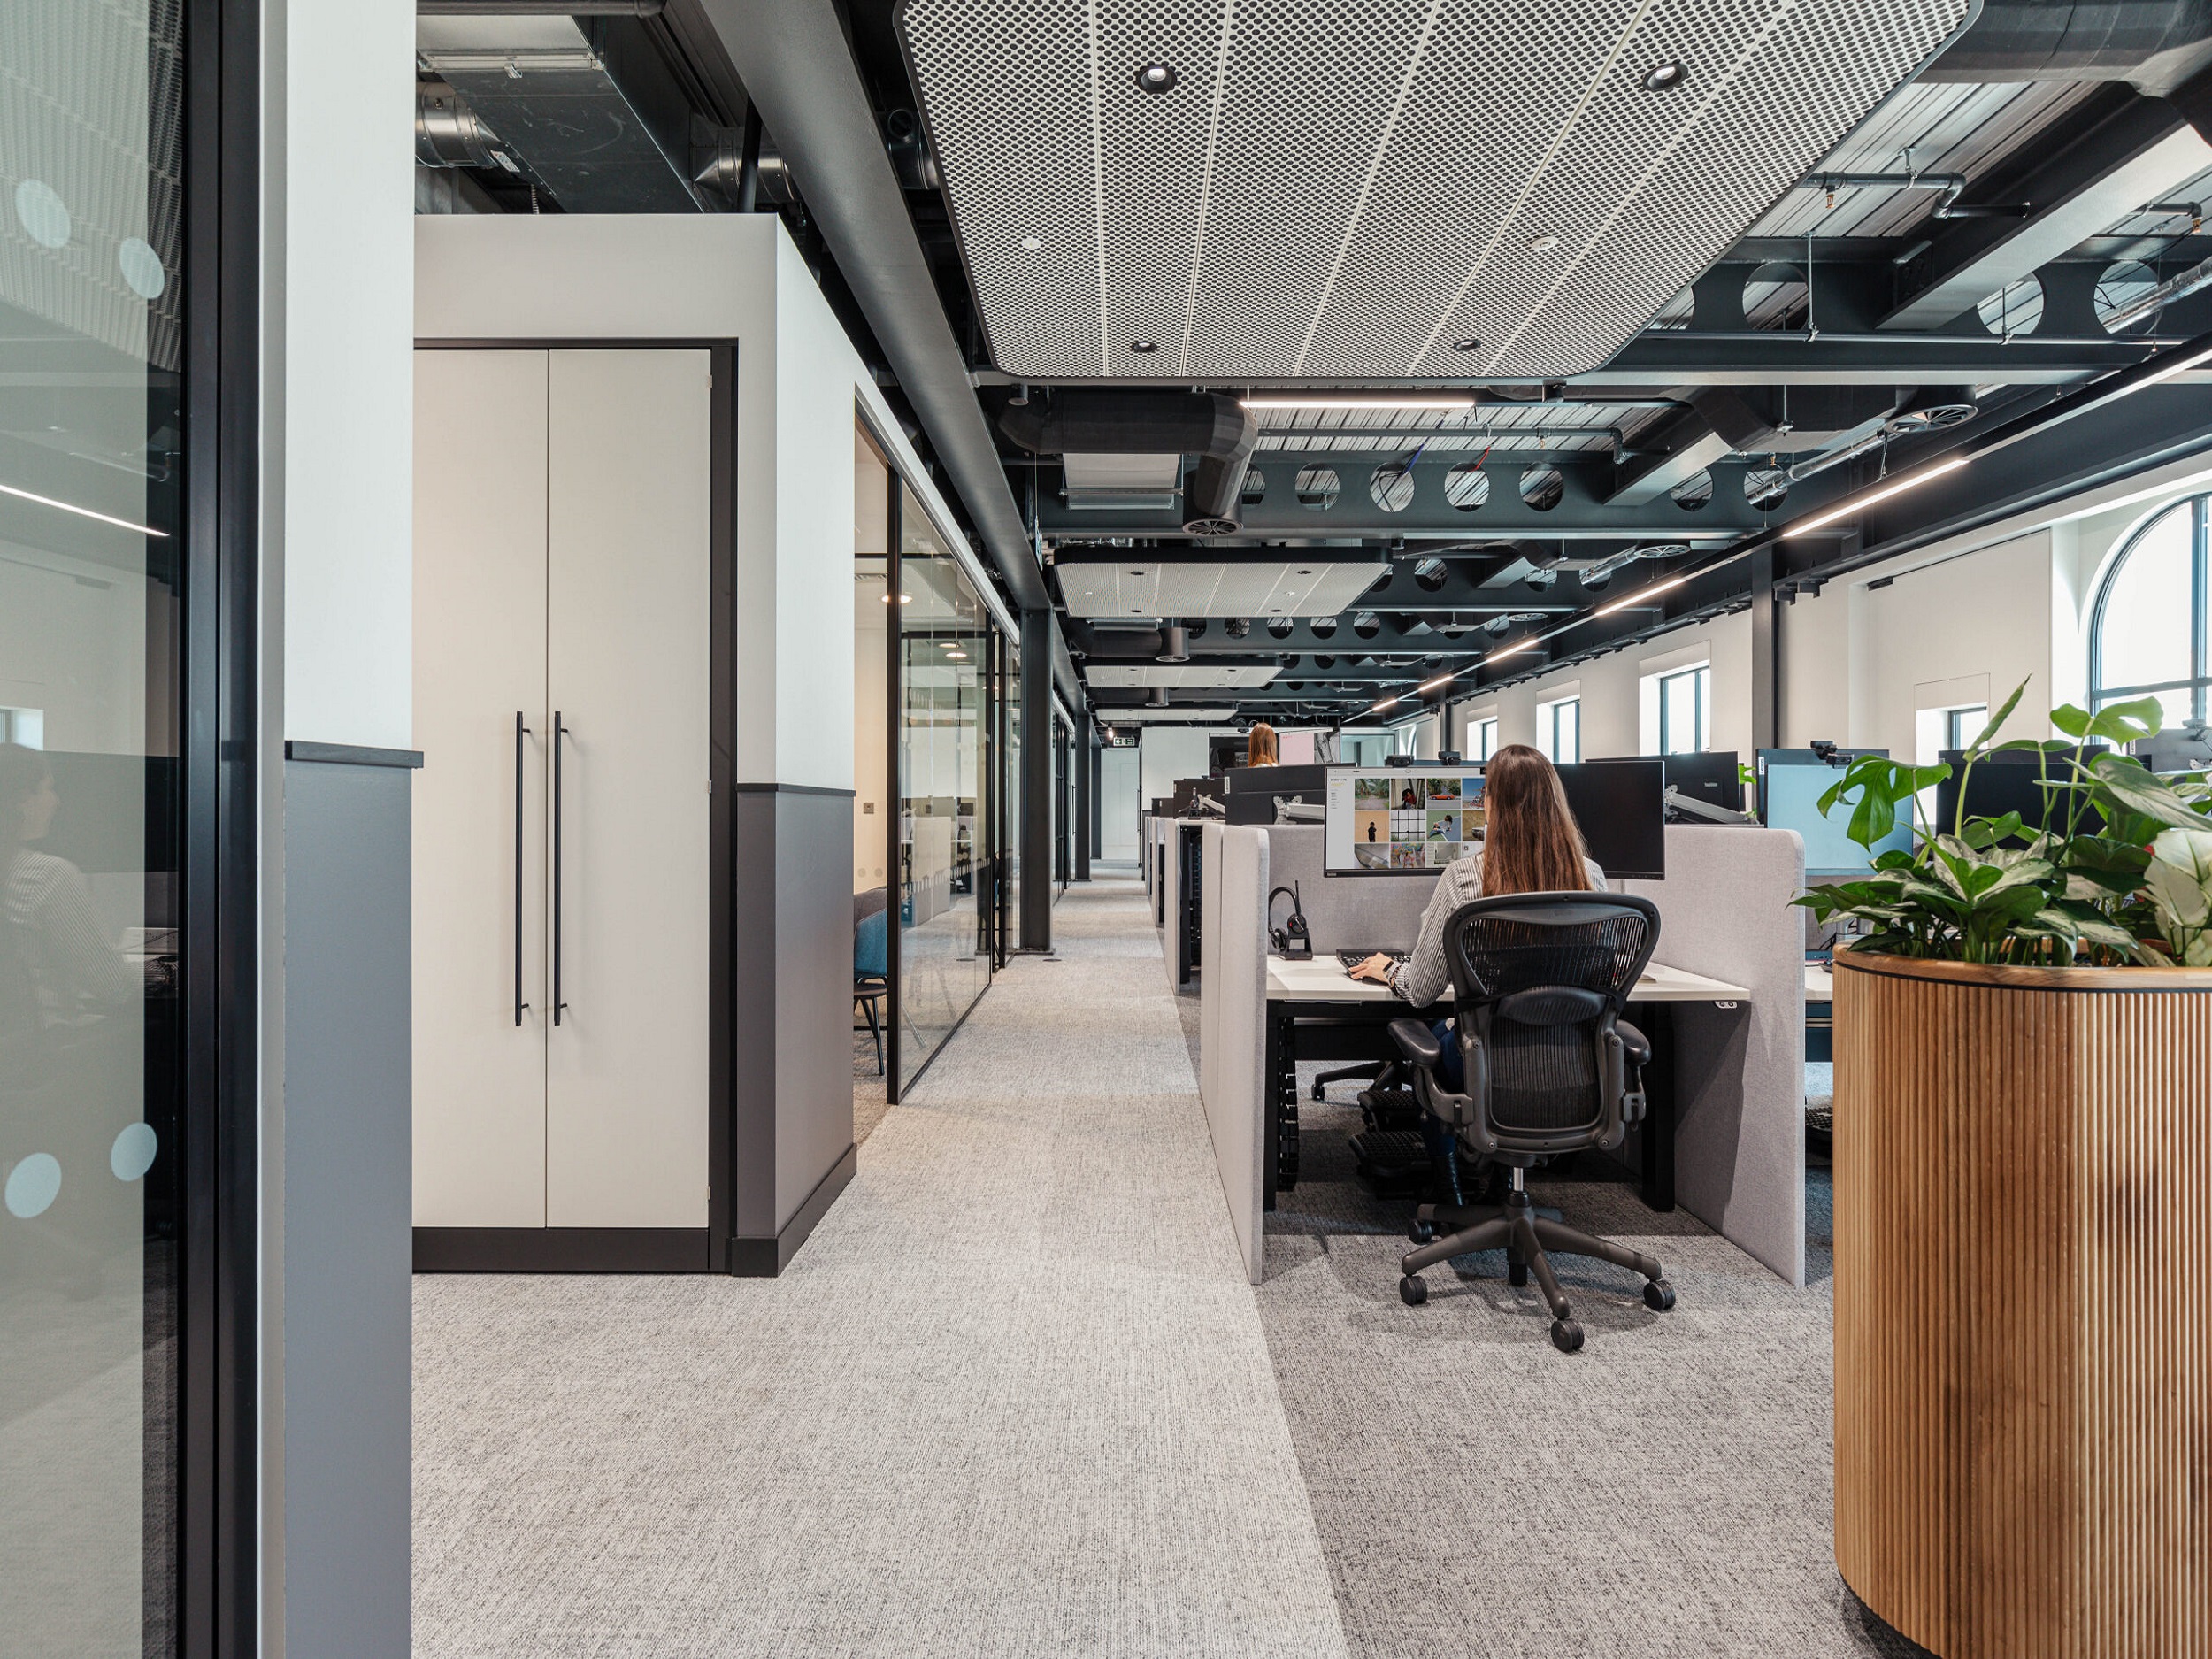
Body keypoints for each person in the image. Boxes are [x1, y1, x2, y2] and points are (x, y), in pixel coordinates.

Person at [1349, 745, 1607, 1193]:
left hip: (1481, 1058)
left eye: (1485, 793)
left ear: (1495, 805)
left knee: (1433, 1037)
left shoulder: (1467, 878)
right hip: (1572, 1059)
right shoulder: (1592, 879)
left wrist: (1389, 968)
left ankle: (1454, 1187)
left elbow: (1422, 989)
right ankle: (1503, 1183)